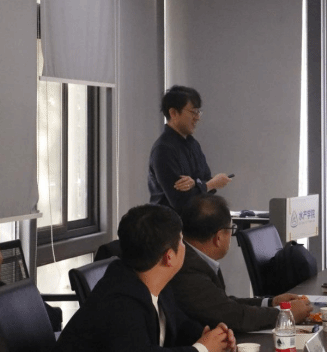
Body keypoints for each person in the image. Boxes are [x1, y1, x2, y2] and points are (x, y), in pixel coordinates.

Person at [55, 204, 237, 352]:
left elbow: (178, 324)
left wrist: (211, 336)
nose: (185, 247)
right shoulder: (120, 301)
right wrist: (202, 349)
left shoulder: (154, 280)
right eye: (181, 241)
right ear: (169, 257)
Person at [169, 195, 312, 333]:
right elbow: (231, 315)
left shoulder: (193, 258)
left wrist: (271, 302)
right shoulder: (187, 267)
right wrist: (285, 315)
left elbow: (221, 303)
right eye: (231, 229)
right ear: (219, 237)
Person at [148, 85, 232, 213]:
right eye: (193, 112)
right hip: (169, 222)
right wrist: (208, 185)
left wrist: (197, 184)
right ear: (173, 113)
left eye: (198, 112)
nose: (197, 117)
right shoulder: (163, 149)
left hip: (196, 219)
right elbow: (180, 200)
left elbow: (206, 178)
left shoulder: (193, 144)